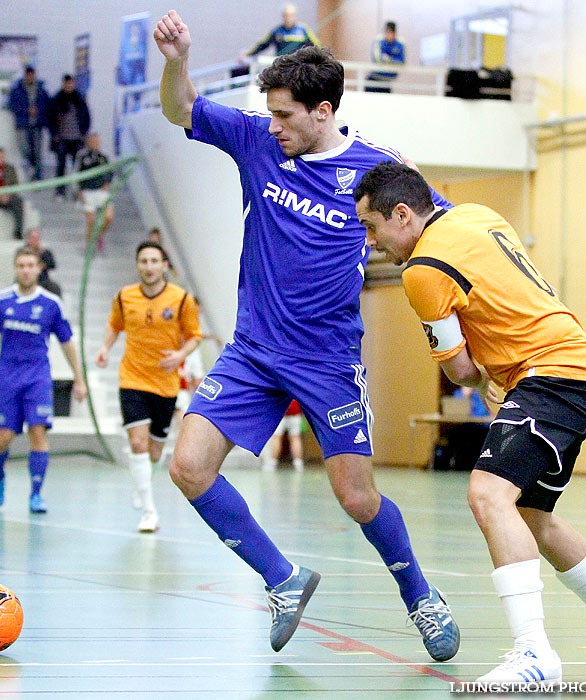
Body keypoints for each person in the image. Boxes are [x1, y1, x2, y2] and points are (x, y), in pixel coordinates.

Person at [154, 10, 459, 658]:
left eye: (286, 114)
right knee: (187, 466)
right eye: (269, 113)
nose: (273, 125)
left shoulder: (376, 172)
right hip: (254, 351)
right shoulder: (257, 141)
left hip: (327, 362)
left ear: (323, 111)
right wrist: (177, 60)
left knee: (356, 496)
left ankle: (421, 598)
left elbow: (441, 229)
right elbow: (180, 108)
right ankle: (282, 579)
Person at [353, 161, 586, 684]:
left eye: (371, 226)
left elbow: (460, 368)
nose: (371, 240)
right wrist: (503, 369)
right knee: (532, 517)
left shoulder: (423, 271)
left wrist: (488, 376)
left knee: (488, 495)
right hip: (578, 365)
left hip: (551, 376)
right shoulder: (477, 215)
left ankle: (534, 654)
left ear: (402, 215)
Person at [96, 241, 202, 533]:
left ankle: (142, 485)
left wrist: (180, 356)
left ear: (164, 265)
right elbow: (114, 325)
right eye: (143, 261)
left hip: (166, 385)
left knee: (154, 452)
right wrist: (105, 348)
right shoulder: (124, 297)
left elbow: (195, 336)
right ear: (137, 265)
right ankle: (149, 510)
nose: (149, 266)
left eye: (155, 261)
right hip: (132, 378)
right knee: (138, 444)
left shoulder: (181, 299)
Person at [0, 246, 87, 513]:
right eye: (21, 265)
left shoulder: (51, 304)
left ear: (39, 269)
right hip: (6, 379)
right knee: (2, 438)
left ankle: (36, 494)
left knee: (38, 433)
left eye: (30, 265)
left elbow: (67, 342)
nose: (26, 270)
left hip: (37, 379)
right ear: (16, 268)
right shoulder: (1, 301)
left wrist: (78, 379)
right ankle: (0, 477)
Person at [48, 74, 90, 198]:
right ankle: (60, 191)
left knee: (77, 166)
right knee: (60, 166)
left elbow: (86, 117)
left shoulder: (79, 99)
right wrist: (54, 134)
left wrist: (84, 133)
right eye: (67, 84)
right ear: (63, 84)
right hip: (62, 139)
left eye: (71, 84)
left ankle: (77, 191)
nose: (69, 86)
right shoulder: (57, 99)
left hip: (76, 139)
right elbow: (50, 118)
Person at [8, 66, 49, 181]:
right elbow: (12, 105)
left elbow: (46, 105)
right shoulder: (17, 90)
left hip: (37, 125)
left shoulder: (41, 90)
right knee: (24, 148)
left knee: (37, 152)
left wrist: (38, 111)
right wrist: (27, 110)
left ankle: (37, 176)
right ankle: (32, 167)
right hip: (22, 124)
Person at [76, 133, 113, 251]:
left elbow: (110, 172)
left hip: (101, 191)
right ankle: (89, 246)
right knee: (91, 221)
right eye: (93, 141)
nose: (96, 144)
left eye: (98, 141)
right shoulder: (83, 157)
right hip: (88, 192)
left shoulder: (103, 157)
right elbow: (78, 174)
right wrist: (80, 190)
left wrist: (107, 183)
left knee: (108, 216)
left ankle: (99, 235)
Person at [241, 4, 320, 59]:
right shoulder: (276, 31)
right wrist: (248, 54)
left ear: (295, 16)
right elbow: (263, 44)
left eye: (291, 15)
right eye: (286, 15)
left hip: (298, 64)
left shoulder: (304, 29)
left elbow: (317, 45)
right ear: (283, 16)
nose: (288, 18)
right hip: (282, 64)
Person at [262, 400, 305, 472]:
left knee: (276, 437)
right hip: (295, 412)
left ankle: (272, 464)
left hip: (279, 413)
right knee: (295, 438)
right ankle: (298, 464)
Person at [366, 21, 406, 94]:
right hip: (374, 78)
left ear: (394, 33)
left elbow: (401, 61)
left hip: (387, 81)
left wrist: (389, 59)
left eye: (391, 33)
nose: (389, 35)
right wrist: (392, 59)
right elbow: (378, 59)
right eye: (387, 32)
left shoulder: (399, 44)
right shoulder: (379, 41)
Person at [26, 227, 61, 297]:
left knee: (54, 288)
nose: (34, 240)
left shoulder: (45, 252)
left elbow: (52, 265)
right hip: (26, 278)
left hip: (42, 280)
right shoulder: (23, 252)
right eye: (32, 238)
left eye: (37, 238)